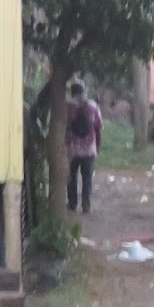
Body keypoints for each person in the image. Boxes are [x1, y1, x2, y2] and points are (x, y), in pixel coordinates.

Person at [65, 81, 103, 214]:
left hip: (72, 149)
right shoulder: (93, 106)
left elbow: (64, 127)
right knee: (87, 178)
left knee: (72, 177)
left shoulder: (68, 106)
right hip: (89, 149)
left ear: (72, 92)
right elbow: (98, 127)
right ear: (84, 91)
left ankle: (72, 204)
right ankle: (86, 205)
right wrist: (97, 145)